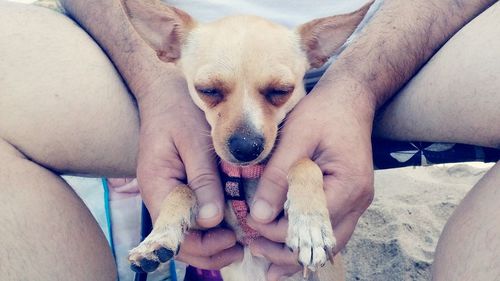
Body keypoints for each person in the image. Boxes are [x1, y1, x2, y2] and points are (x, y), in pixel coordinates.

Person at [0, 0, 498, 280]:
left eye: (276, 94)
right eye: (213, 93)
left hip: (393, 47)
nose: (247, 135)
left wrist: (360, 82)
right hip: (157, 70)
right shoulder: (171, 54)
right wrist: (154, 81)